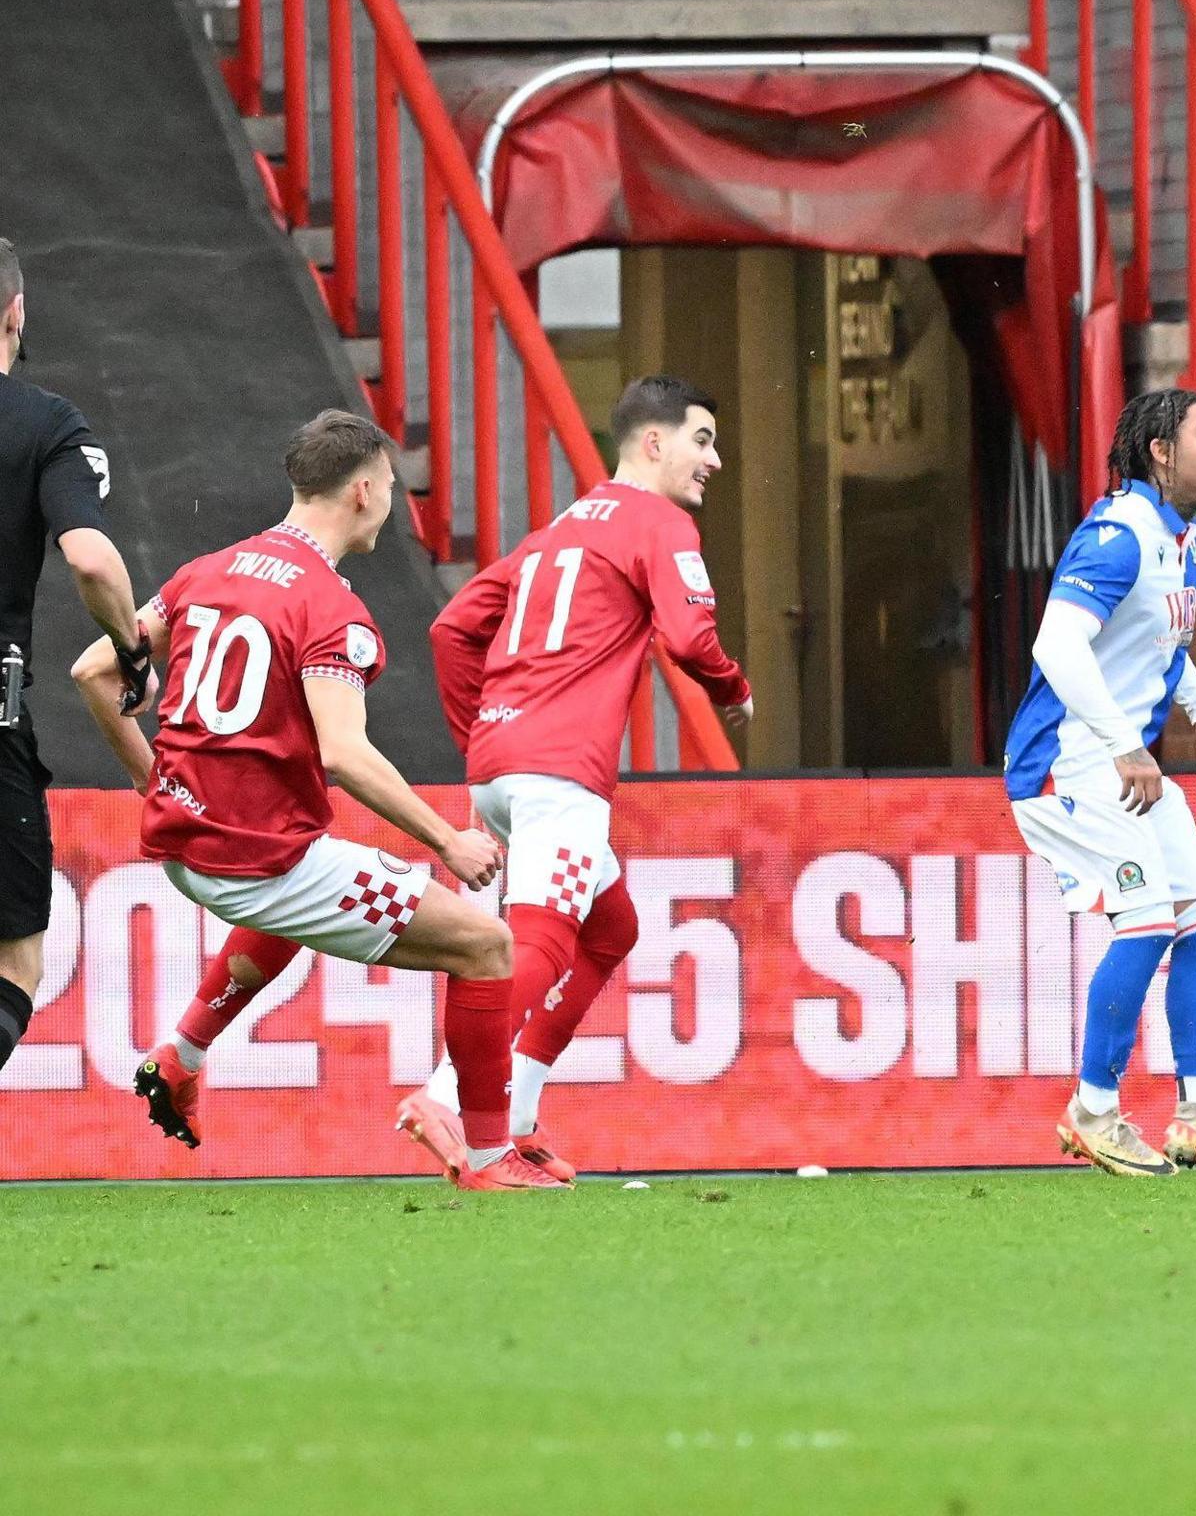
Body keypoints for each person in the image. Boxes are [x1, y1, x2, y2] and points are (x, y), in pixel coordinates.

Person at [166, 376, 754, 1183]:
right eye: (702, 440)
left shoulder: (555, 533)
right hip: (561, 773)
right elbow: (689, 640)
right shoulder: (660, 522)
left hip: (500, 768)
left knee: (610, 929)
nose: (712, 461)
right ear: (652, 444)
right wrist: (733, 688)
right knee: (524, 941)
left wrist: (484, 734)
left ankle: (514, 1114)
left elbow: (453, 629)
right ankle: (452, 1101)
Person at [63, 412, 557, 1191]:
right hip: (258, 858)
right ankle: (492, 1160)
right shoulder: (332, 610)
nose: (390, 501)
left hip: (190, 843)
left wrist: (149, 778)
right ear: (363, 491)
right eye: (390, 487)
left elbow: (94, 669)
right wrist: (448, 842)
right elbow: (344, 753)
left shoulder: (207, 571)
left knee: (303, 895)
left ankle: (181, 1054)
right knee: (486, 946)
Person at [1000, 389, 1196, 1176]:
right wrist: (1129, 745)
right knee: (1148, 923)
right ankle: (1092, 1111)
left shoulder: (1178, 537)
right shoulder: (1118, 534)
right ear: (1161, 451)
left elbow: (1156, 639)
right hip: (1068, 764)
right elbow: (1058, 646)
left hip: (1121, 762)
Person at [0, 238, 141, 1081]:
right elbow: (91, 558)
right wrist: (131, 648)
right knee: (16, 960)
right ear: (16, 312)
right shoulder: (45, 425)